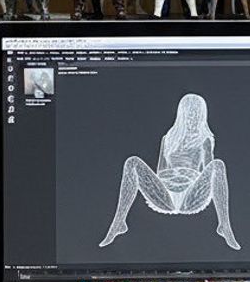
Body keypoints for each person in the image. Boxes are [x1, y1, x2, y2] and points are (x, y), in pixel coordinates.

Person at [99, 93, 239, 250]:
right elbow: (160, 171)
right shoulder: (168, 138)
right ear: (182, 113)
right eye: (190, 112)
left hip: (190, 197)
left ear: (201, 115)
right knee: (132, 162)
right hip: (165, 196)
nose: (192, 117)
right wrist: (164, 184)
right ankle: (119, 222)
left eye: (196, 113)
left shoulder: (205, 139)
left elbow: (208, 172)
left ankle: (224, 225)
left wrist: (187, 179)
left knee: (218, 165)